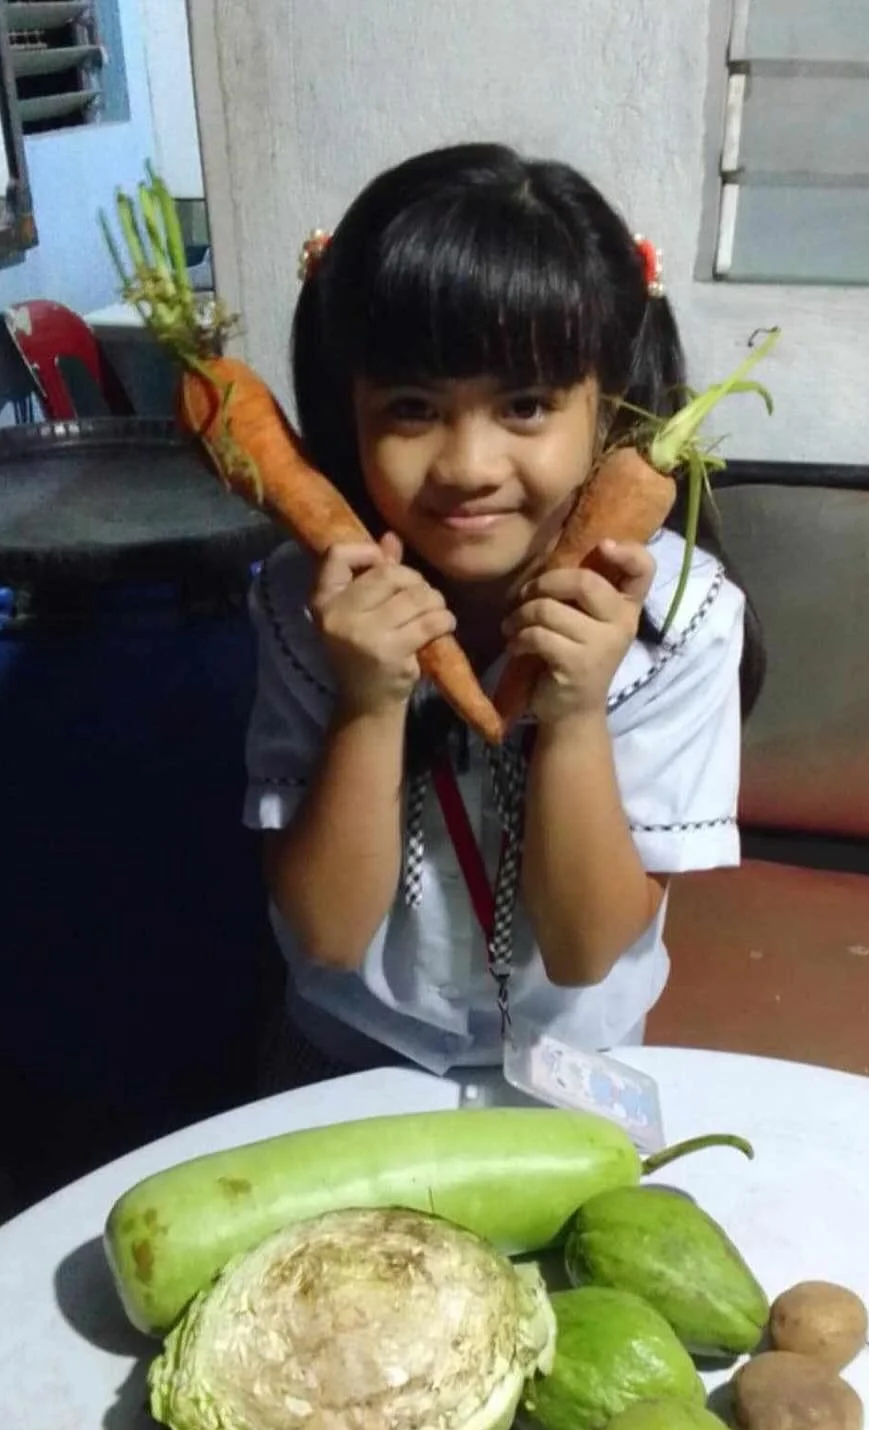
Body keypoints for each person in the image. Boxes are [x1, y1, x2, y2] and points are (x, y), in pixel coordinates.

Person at [245, 142, 763, 1089]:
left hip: (576, 1058)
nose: (467, 466)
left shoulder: (684, 620)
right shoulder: (301, 598)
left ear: (608, 410)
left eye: (525, 405)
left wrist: (573, 714)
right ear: (344, 405)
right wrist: (367, 701)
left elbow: (583, 951)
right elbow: (324, 934)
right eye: (411, 407)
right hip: (350, 1052)